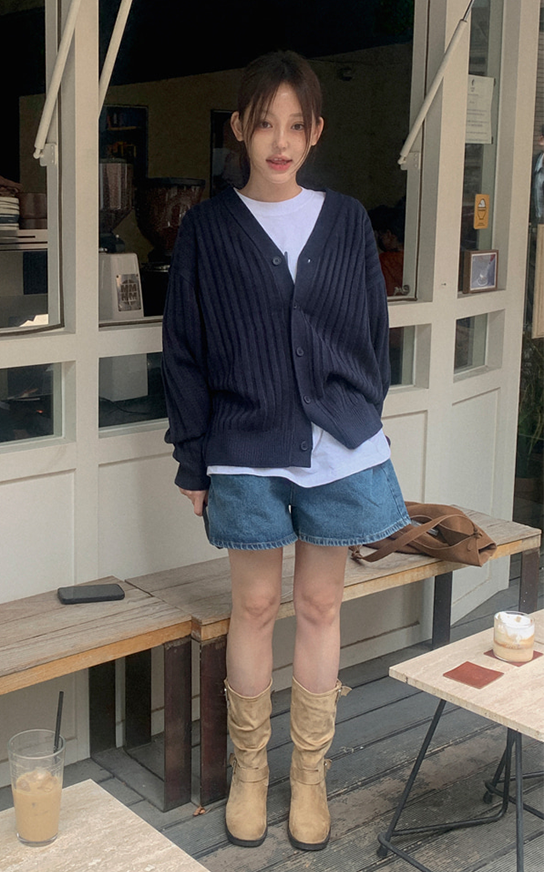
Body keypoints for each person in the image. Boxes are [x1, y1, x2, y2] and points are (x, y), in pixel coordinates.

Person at [161, 51, 409, 851]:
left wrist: (360, 413)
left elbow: (369, 330)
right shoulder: (208, 229)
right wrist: (193, 457)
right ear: (239, 127)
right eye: (264, 123)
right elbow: (185, 349)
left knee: (322, 605)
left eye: (295, 125)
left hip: (337, 446)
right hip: (245, 445)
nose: (279, 141)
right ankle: (247, 773)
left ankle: (309, 775)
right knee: (257, 606)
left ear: (315, 132)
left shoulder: (346, 220)